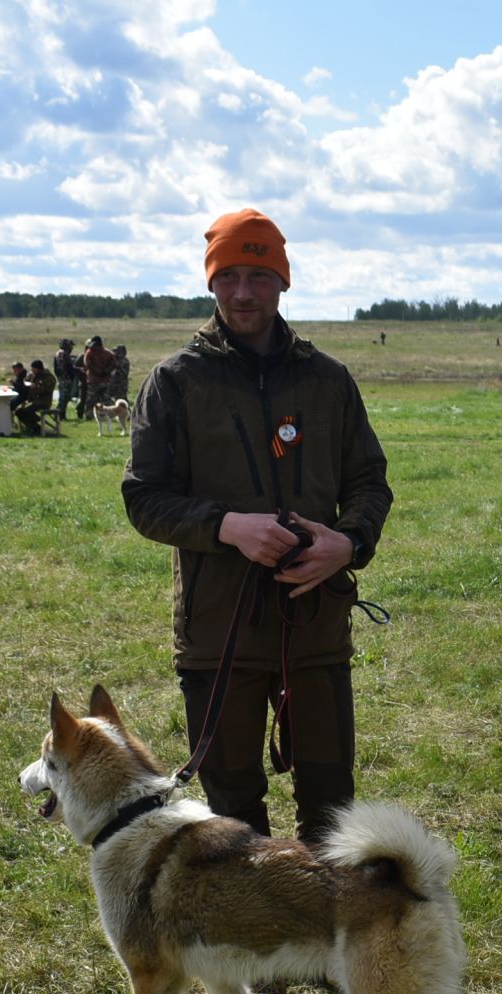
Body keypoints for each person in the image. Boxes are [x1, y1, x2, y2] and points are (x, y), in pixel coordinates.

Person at [122, 207, 392, 844]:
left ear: (283, 282)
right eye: (230, 276)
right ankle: (253, 939)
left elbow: (369, 481)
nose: (244, 292)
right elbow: (144, 498)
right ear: (211, 283)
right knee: (233, 810)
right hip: (220, 634)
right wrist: (226, 526)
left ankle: (329, 937)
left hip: (315, 625)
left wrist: (347, 544)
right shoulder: (174, 383)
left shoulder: (327, 381)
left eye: (260, 276)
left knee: (332, 808)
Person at [78, 335, 116, 419]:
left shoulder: (91, 352)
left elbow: (88, 364)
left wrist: (101, 371)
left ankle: (93, 415)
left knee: (96, 399)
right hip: (101, 380)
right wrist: (104, 371)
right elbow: (113, 364)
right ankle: (105, 415)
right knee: (100, 399)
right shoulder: (107, 353)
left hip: (96, 380)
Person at [9, 361, 43, 435]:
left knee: (11, 405)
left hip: (25, 397)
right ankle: (34, 426)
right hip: (25, 396)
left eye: (15, 370)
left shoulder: (24, 375)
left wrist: (14, 384)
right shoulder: (23, 375)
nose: (14, 372)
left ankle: (36, 425)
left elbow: (23, 389)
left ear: (20, 369)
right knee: (11, 404)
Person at [27, 359, 60, 434]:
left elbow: (46, 390)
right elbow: (26, 384)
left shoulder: (49, 377)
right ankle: (34, 427)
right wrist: (29, 379)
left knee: (27, 412)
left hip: (44, 402)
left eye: (33, 369)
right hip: (36, 401)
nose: (32, 371)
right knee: (19, 412)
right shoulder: (36, 376)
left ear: (38, 368)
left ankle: (38, 428)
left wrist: (35, 387)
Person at [53, 338, 80, 419]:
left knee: (65, 398)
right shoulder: (63, 354)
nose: (71, 348)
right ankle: (58, 415)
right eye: (70, 346)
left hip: (63, 378)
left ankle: (62, 415)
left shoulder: (60, 353)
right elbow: (66, 366)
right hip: (65, 379)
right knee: (64, 398)